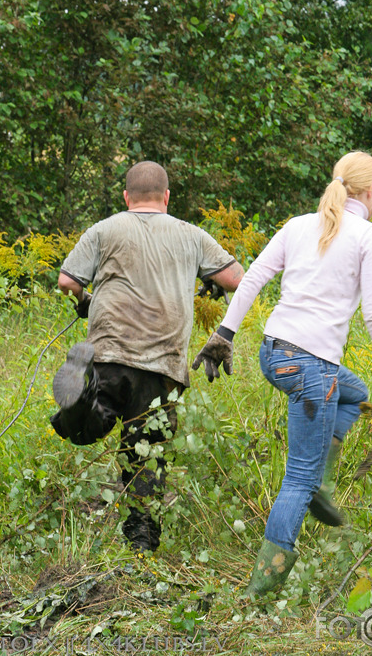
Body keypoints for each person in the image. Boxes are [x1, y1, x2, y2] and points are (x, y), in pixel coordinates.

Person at [192, 151, 372, 597]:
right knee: (297, 477)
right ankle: (260, 593)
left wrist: (225, 333)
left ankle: (320, 484)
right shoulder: (370, 237)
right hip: (313, 368)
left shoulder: (298, 225)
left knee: (354, 392)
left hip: (274, 355)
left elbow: (254, 276)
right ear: (371, 192)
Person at [50, 161, 244, 551]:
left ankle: (84, 402)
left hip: (108, 353)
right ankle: (141, 541)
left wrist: (87, 300)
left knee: (87, 427)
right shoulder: (191, 234)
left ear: (126, 197)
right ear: (167, 197)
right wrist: (207, 279)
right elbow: (237, 278)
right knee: (147, 451)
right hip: (163, 364)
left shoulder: (105, 229)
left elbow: (67, 282)